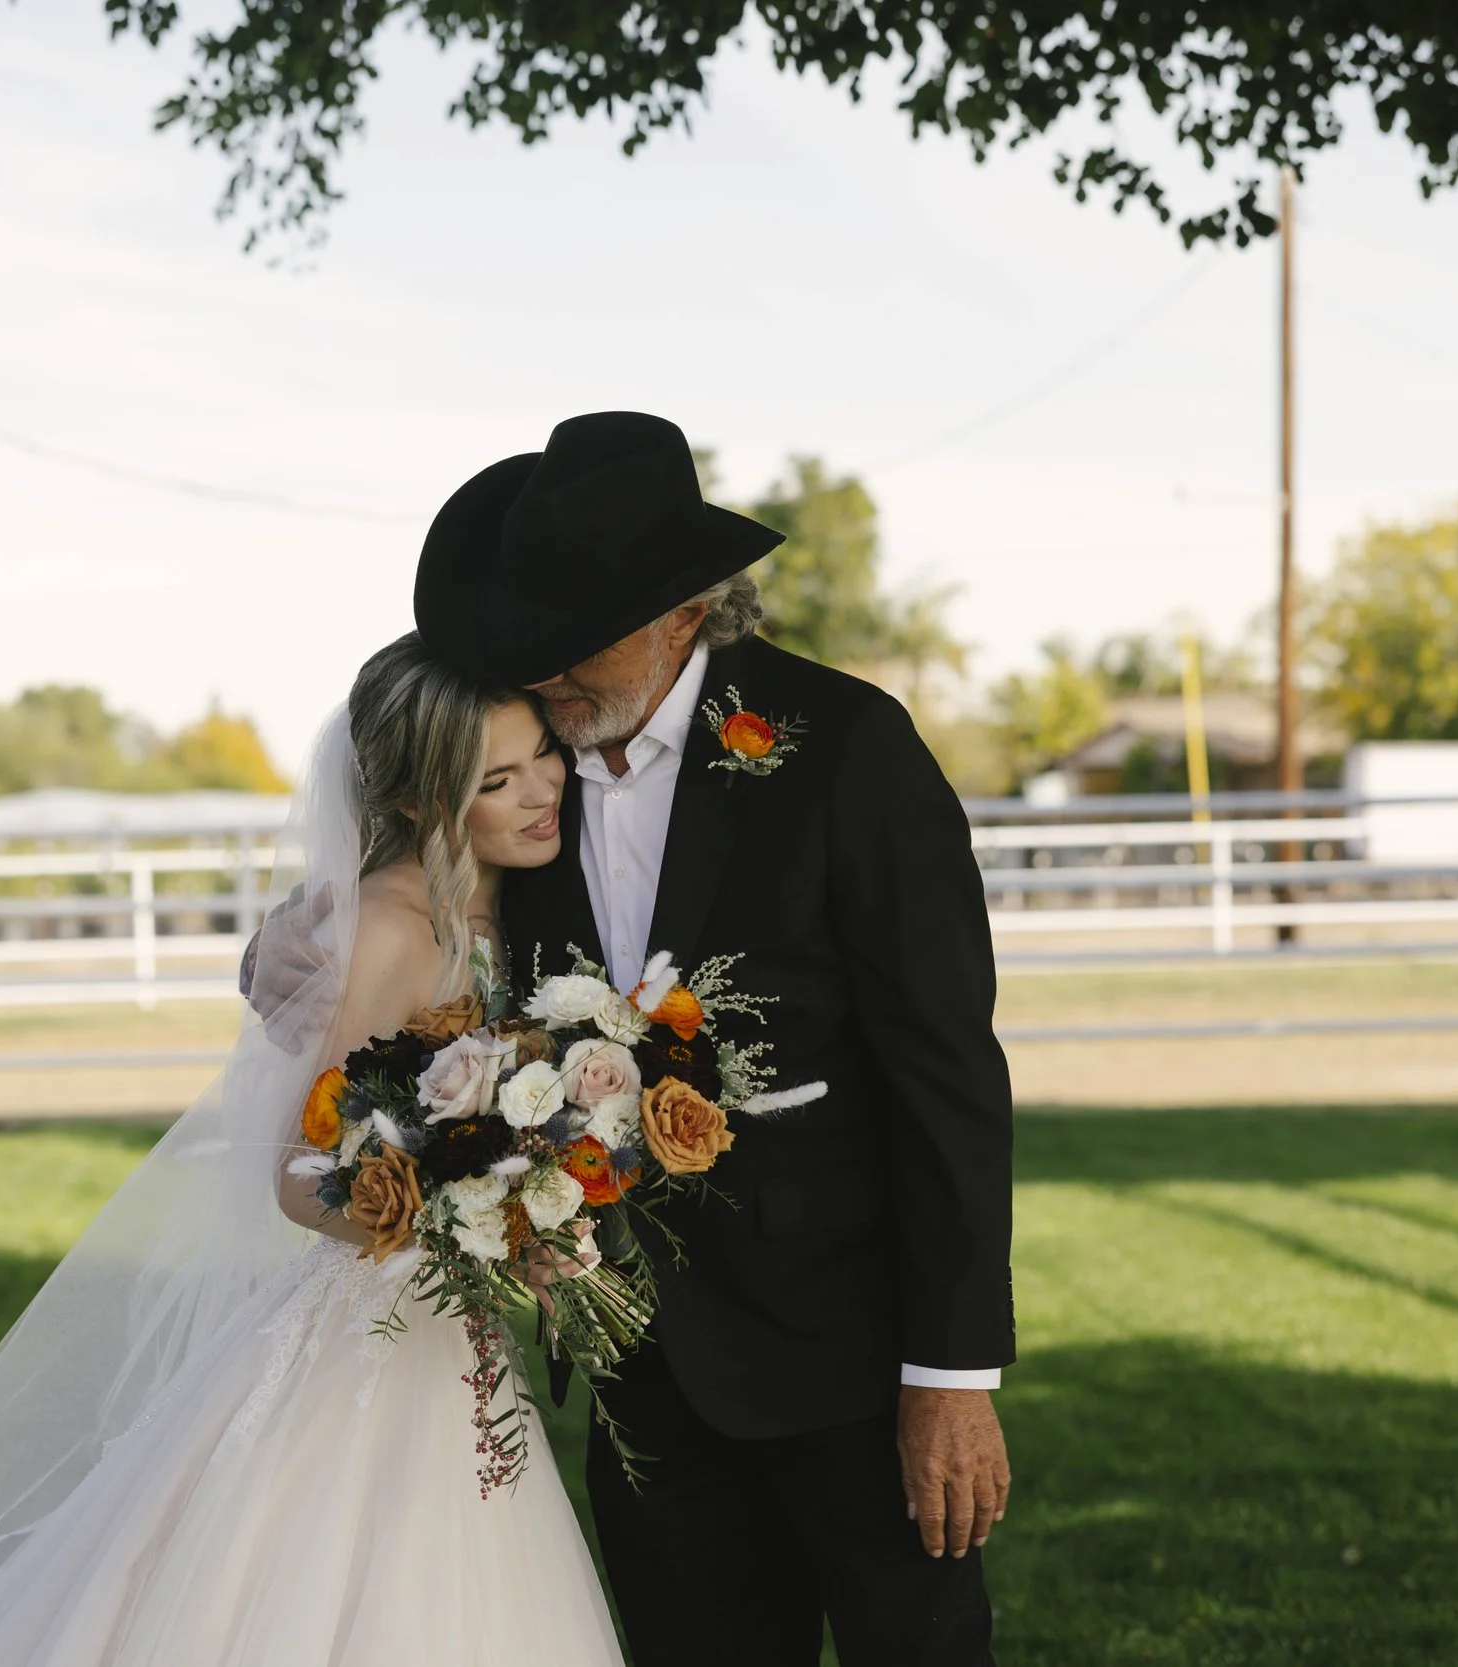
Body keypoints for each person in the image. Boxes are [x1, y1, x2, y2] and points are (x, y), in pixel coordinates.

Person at [0, 633, 625, 1667]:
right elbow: (299, 1176)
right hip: (371, 1327)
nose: (543, 791)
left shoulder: (495, 906)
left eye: (542, 756)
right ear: (418, 803)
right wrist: (471, 1211)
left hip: (452, 1334)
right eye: (498, 778)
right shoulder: (391, 928)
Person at [413, 412, 1017, 1667]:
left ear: (684, 610)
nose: (543, 667)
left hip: (852, 1366)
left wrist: (951, 1376)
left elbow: (945, 1075)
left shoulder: (846, 747)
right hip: (641, 1373)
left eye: (571, 633)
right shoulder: (527, 774)